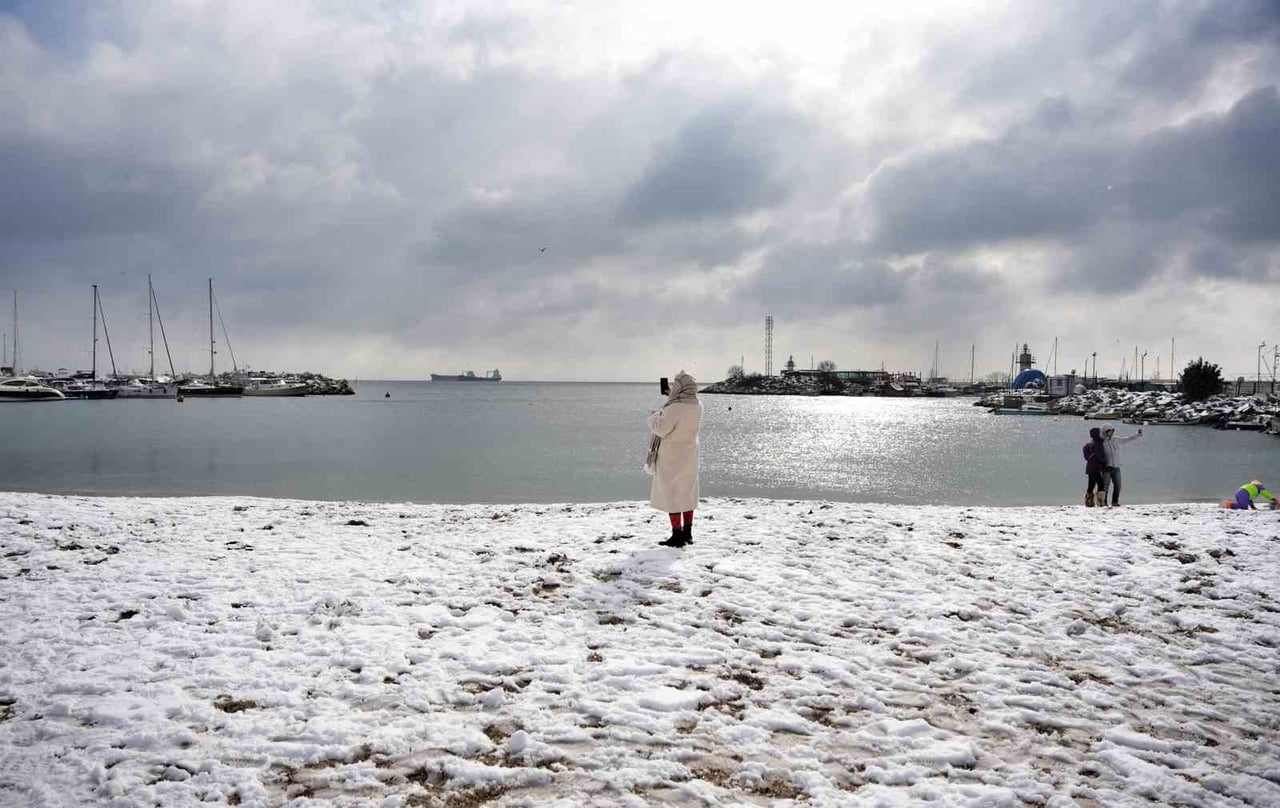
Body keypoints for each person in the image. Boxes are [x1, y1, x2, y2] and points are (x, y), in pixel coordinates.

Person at [647, 371, 702, 548]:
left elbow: (661, 430)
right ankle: (688, 534)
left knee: (672, 493)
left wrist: (654, 416)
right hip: (690, 454)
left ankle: (676, 535)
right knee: (687, 492)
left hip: (671, 456)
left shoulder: (674, 407)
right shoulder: (698, 405)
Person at [1100, 424, 1142, 506]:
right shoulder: (1102, 442)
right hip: (1106, 468)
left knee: (1118, 486)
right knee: (1105, 486)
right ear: (1105, 432)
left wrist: (1137, 434)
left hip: (1116, 467)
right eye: (1109, 431)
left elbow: (1127, 439)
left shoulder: (1116, 439)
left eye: (1112, 431)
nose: (1111, 433)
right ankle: (1104, 502)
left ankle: (1115, 502)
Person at [1083, 427, 1108, 507]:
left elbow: (1087, 457)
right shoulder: (1098, 443)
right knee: (1101, 484)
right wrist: (1104, 463)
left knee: (1091, 485)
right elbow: (1100, 456)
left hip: (1090, 467)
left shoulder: (1091, 443)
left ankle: (1089, 502)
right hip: (1095, 467)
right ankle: (1100, 502)